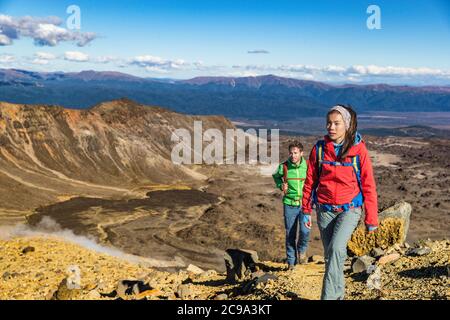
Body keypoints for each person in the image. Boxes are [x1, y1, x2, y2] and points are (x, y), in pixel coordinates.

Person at [301, 105, 379, 300]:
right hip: (325, 210)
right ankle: (339, 296)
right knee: (331, 257)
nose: (331, 127)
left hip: (350, 209)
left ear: (348, 125)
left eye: (336, 123)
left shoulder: (358, 150)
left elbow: (368, 185)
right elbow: (310, 181)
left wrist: (371, 219)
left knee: (336, 249)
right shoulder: (319, 149)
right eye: (329, 123)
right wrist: (305, 210)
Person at [273, 140, 311, 270]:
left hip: (305, 204)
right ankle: (291, 262)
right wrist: (280, 185)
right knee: (290, 234)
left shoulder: (308, 166)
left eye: (295, 153)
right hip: (289, 204)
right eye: (291, 153)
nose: (293, 156)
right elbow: (276, 177)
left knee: (305, 231)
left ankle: (302, 251)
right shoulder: (284, 167)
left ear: (301, 153)